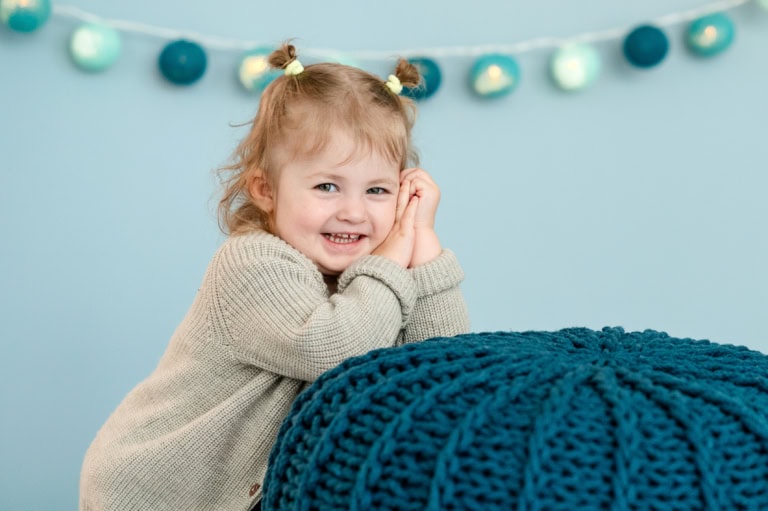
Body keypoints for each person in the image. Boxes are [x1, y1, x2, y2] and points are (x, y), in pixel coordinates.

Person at [79, 41, 470, 511]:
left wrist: (421, 238)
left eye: (378, 190)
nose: (353, 211)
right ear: (265, 189)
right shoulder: (252, 265)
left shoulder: (370, 281)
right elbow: (336, 350)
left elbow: (443, 363)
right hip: (156, 492)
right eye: (327, 186)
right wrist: (389, 261)